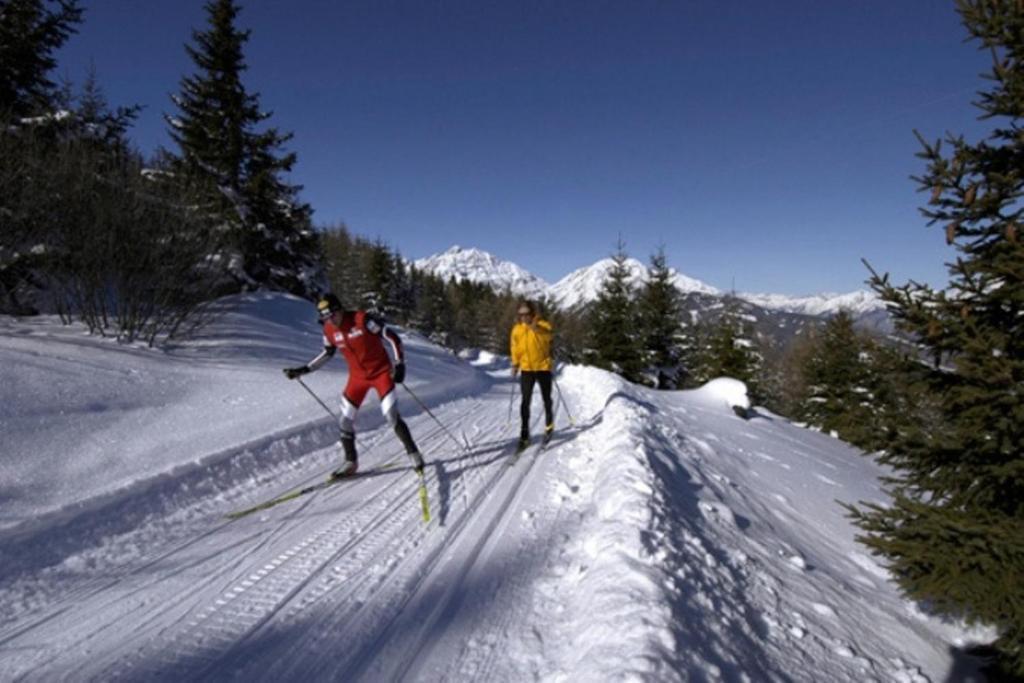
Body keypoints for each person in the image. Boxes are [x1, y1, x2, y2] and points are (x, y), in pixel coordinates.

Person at [283, 294, 425, 478]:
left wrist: (399, 364)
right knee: (345, 420)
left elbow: (392, 338)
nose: (330, 320)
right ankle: (350, 462)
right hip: (358, 378)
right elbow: (327, 353)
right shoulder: (328, 330)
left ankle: (414, 454)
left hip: (382, 373)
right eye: (325, 318)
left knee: (390, 415)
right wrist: (304, 370)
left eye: (332, 315)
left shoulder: (362, 319)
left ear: (340, 310)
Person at [510, 301, 554, 449]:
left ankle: (549, 423)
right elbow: (514, 347)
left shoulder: (543, 325)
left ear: (532, 313)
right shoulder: (517, 330)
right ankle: (524, 432)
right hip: (526, 369)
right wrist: (515, 363)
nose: (523, 317)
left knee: (546, 398)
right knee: (525, 401)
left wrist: (537, 329)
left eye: (526, 314)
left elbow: (549, 336)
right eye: (521, 314)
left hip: (543, 367)